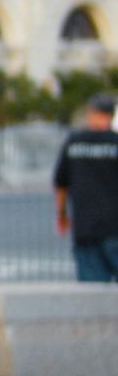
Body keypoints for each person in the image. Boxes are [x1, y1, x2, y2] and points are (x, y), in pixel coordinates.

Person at [54, 92, 118, 282]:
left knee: (93, 301)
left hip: (86, 229)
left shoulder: (74, 142)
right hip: (115, 227)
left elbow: (60, 183)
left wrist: (62, 215)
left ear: (91, 113)